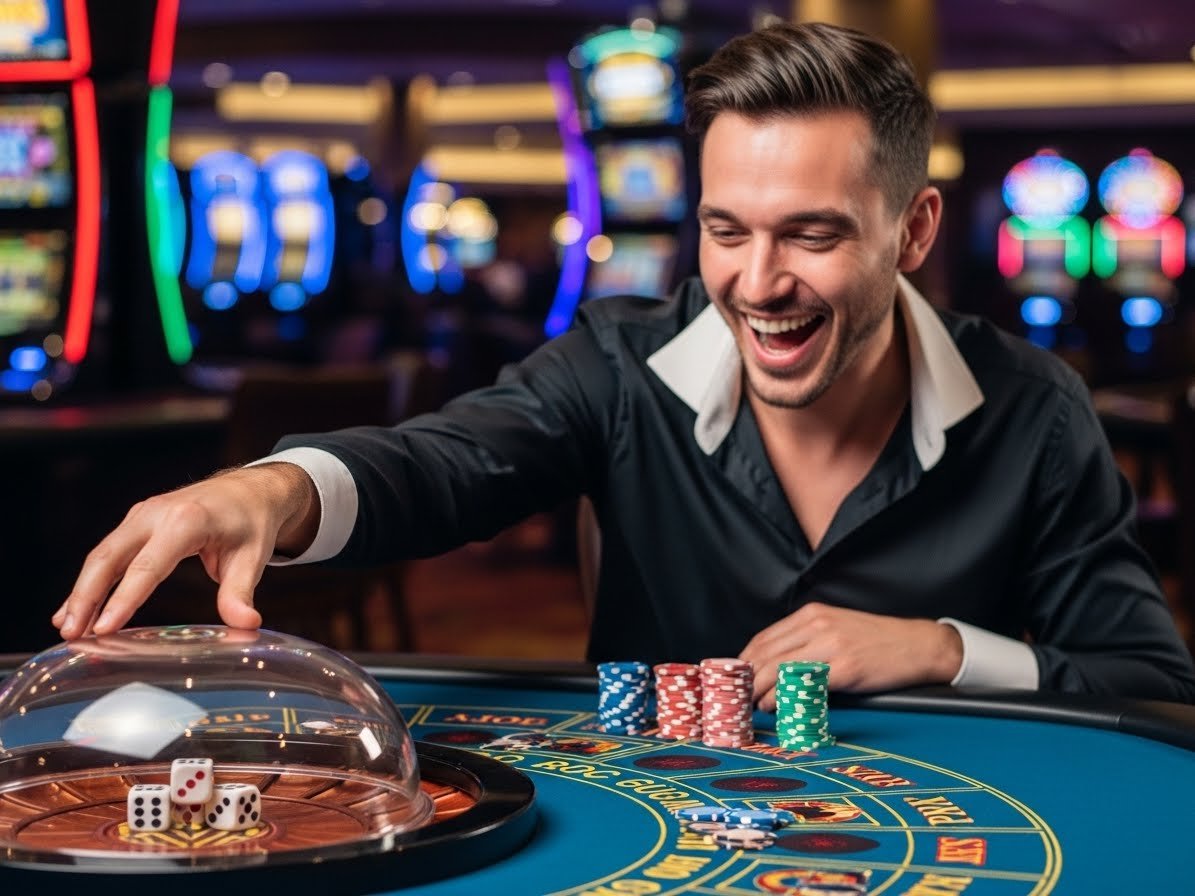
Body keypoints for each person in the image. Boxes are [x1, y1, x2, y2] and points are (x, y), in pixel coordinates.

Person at [55, 22, 1195, 706]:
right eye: (725, 230)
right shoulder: (619, 363)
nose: (757, 281)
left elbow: (1149, 682)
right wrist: (275, 486)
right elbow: (440, 464)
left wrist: (939, 650)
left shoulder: (1033, 410)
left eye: (811, 234)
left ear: (912, 231)